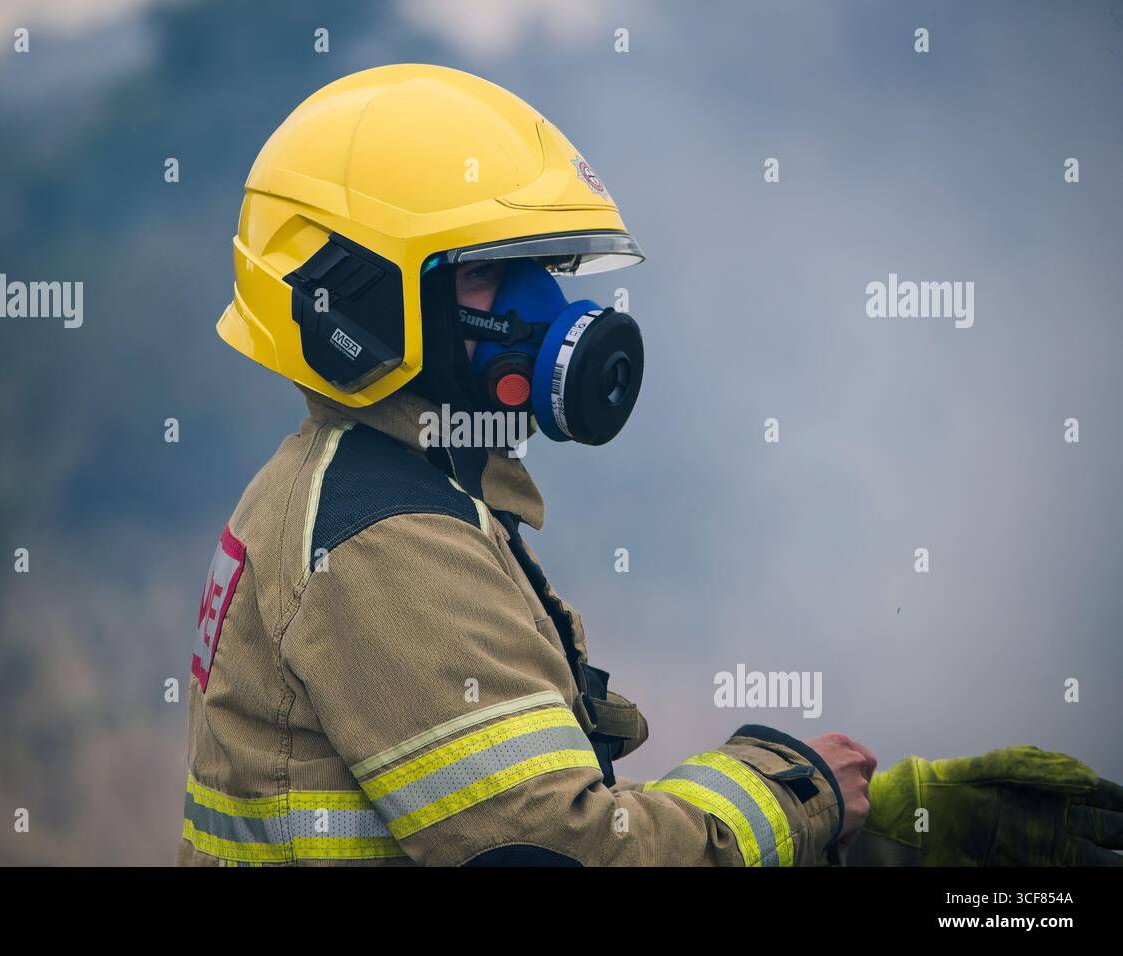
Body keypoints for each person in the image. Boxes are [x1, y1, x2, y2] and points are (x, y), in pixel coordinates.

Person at [179, 64, 1121, 867]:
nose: (543, 311)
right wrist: (797, 795)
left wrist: (878, 826)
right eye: (485, 275)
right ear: (354, 306)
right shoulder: (386, 540)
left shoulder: (370, 485)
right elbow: (558, 849)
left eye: (546, 268)